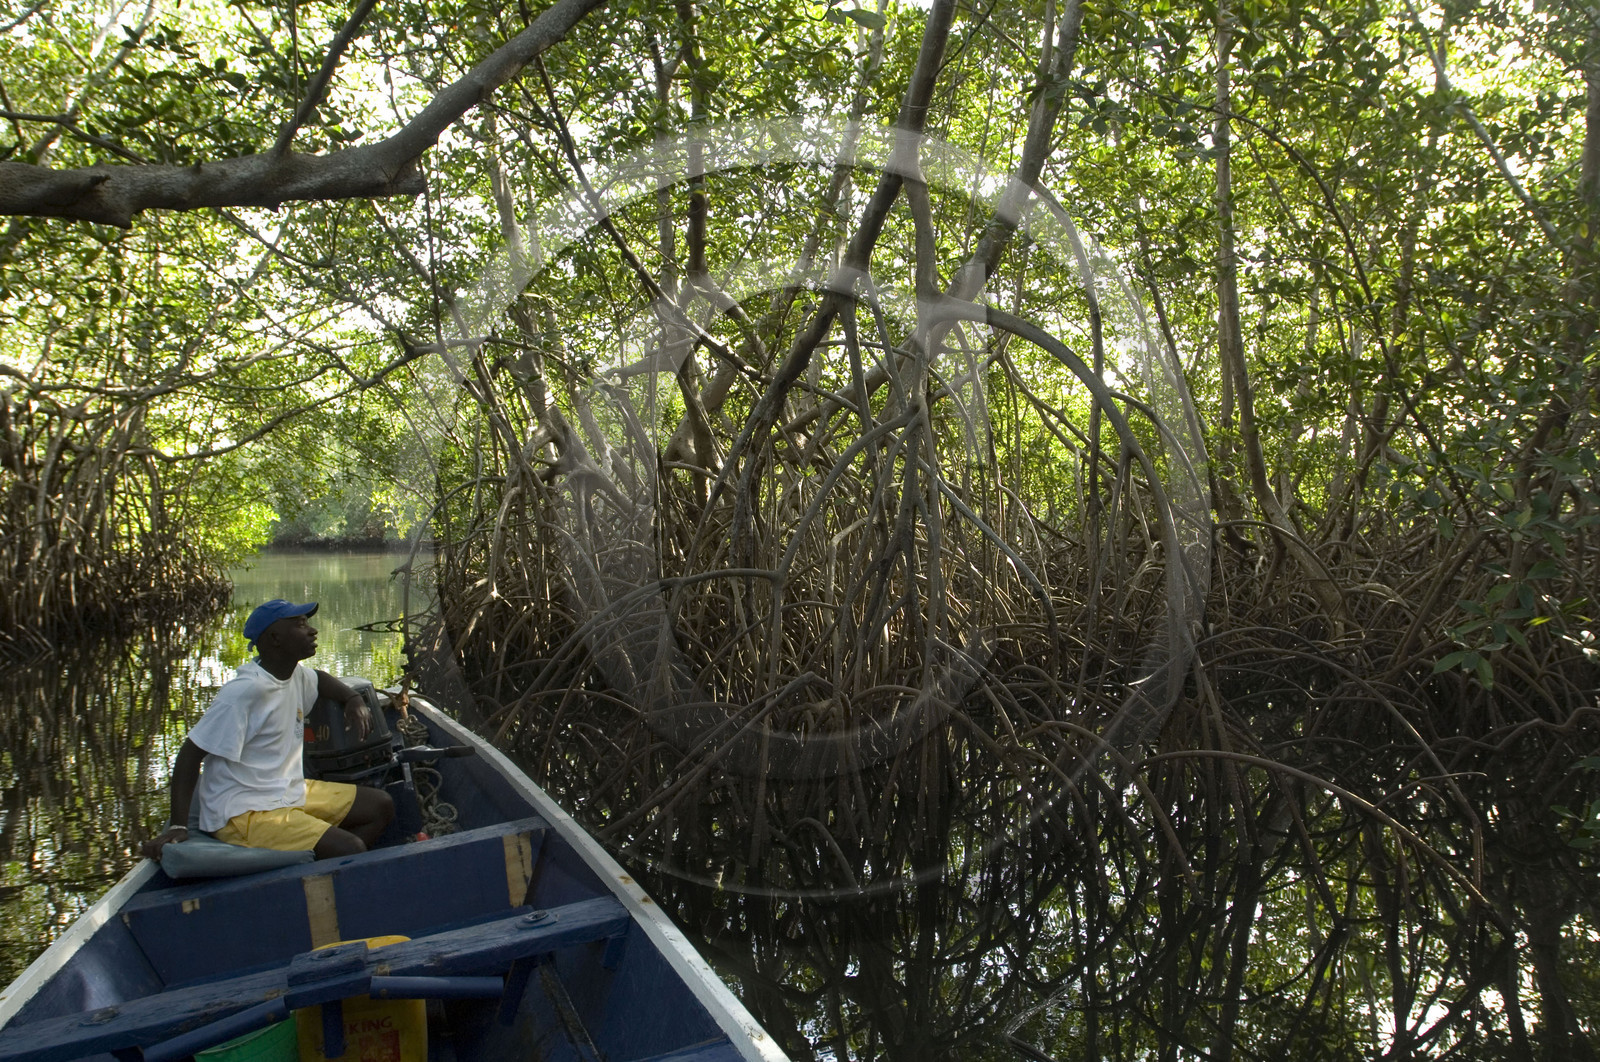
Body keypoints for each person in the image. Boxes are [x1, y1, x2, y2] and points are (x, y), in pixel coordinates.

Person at [140, 599, 395, 862]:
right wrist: (178, 827)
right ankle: (319, 872)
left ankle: (317, 865)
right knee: (350, 848)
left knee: (380, 806)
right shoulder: (244, 693)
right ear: (275, 638)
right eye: (299, 625)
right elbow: (189, 755)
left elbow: (321, 679)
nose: (312, 631)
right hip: (243, 812)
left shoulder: (294, 674)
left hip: (284, 791)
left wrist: (353, 699)